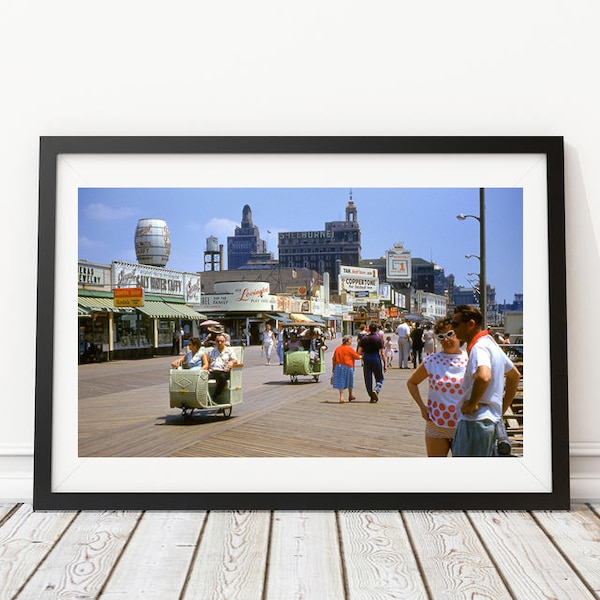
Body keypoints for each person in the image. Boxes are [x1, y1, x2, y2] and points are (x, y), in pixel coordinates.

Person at [450, 305, 522, 457]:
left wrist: (472, 403)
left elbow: (484, 376)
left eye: (456, 324)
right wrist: (501, 408)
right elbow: (514, 375)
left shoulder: (479, 348)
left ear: (471, 324)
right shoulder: (491, 344)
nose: (453, 328)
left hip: (475, 422)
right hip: (490, 420)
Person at [406, 318, 468, 456]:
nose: (446, 339)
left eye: (450, 334)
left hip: (465, 426)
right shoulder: (432, 360)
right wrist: (422, 407)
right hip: (436, 425)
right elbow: (412, 383)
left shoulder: (471, 359)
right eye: (441, 336)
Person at [357, 323, 387, 403]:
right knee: (379, 378)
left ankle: (371, 395)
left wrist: (362, 356)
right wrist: (385, 364)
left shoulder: (364, 338)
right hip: (376, 357)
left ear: (369, 329)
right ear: (376, 329)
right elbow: (382, 353)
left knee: (368, 379)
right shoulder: (378, 339)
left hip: (367, 358)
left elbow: (359, 351)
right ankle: (376, 389)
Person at [204, 334, 239, 398]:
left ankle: (215, 395)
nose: (219, 343)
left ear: (225, 342)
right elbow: (207, 362)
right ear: (215, 342)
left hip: (224, 371)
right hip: (212, 371)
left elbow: (235, 360)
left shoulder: (229, 351)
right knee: (200, 377)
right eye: (218, 341)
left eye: (221, 341)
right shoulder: (212, 351)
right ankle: (202, 396)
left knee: (222, 377)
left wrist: (231, 362)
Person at [331, 335, 362, 403]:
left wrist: (333, 368)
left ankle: (341, 396)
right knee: (349, 381)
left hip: (338, 367)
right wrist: (361, 356)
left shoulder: (338, 348)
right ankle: (350, 395)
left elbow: (334, 359)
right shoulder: (349, 348)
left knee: (340, 381)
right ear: (347, 341)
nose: (351, 342)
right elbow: (356, 356)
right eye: (350, 340)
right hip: (348, 366)